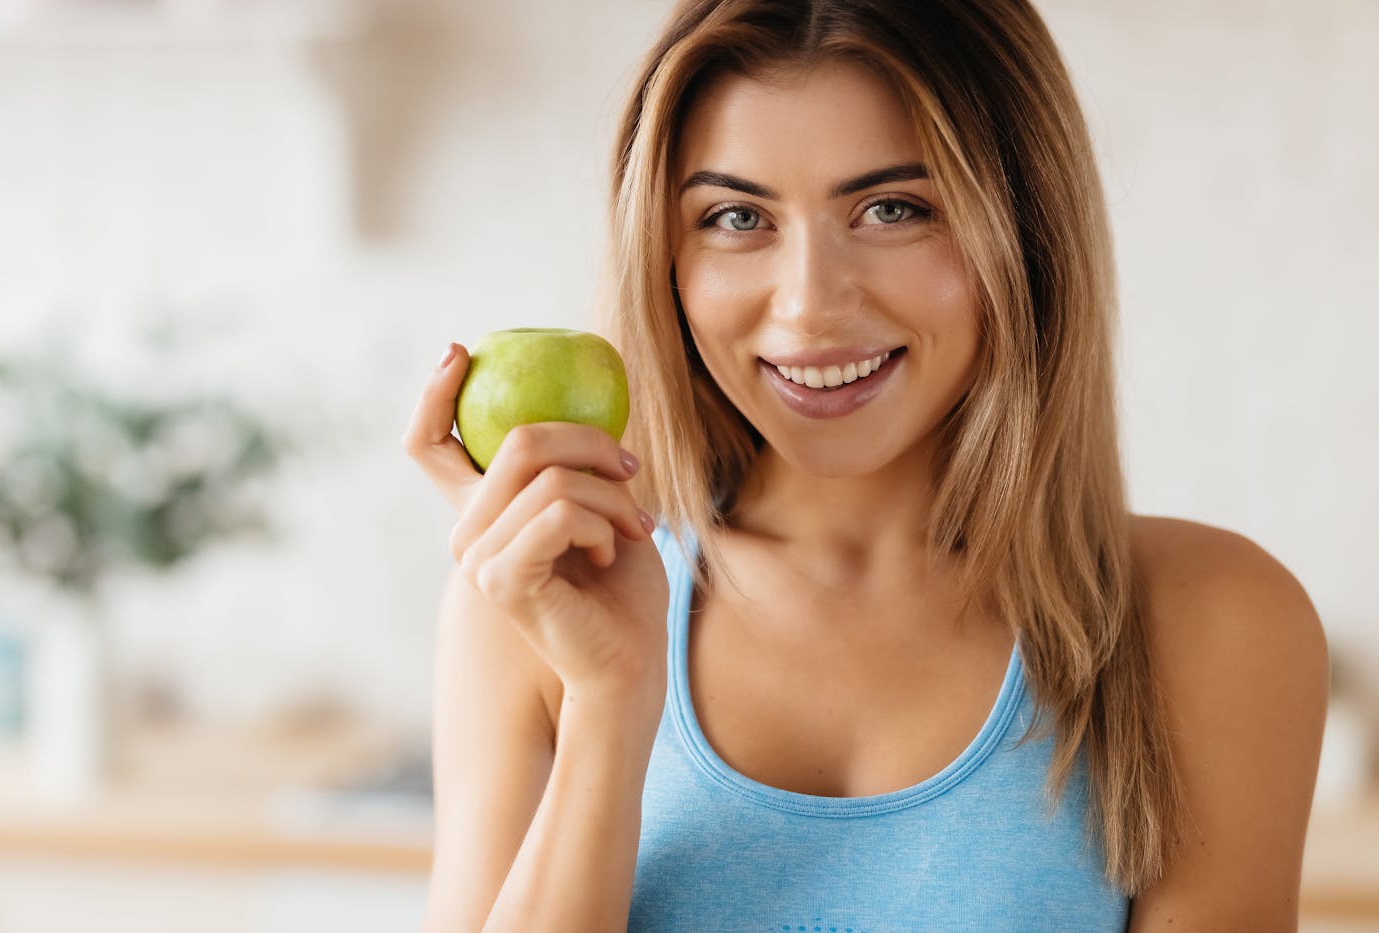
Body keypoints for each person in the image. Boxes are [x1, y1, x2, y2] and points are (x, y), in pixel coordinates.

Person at [404, 0, 1329, 929]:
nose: (809, 306)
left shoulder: (1216, 623)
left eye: (894, 209)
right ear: (666, 257)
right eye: (735, 216)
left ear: (1027, 232)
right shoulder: (538, 607)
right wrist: (608, 705)